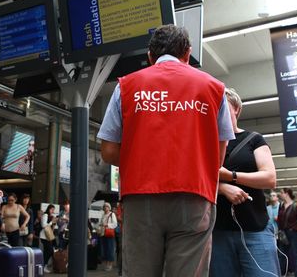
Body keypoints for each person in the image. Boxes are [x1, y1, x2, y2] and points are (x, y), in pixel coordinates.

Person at [99, 24, 234, 276]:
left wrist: (143, 159)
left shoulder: (127, 87)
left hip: (141, 196)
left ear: (150, 56)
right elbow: (217, 156)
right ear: (188, 53)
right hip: (195, 197)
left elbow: (108, 150)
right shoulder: (215, 89)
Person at [210, 87, 279, 277]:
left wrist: (230, 176)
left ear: (236, 109)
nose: (218, 110)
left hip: (255, 228)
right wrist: (222, 188)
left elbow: (269, 178)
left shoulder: (253, 139)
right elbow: (192, 180)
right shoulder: (205, 143)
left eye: (223, 105)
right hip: (218, 231)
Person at [277, 188, 297, 277]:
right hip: (284, 234)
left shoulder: (295, 206)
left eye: (282, 193)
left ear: (287, 194)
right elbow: (280, 219)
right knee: (282, 254)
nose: (280, 194)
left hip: (295, 234)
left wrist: (293, 229)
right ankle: (283, 273)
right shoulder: (282, 205)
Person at [98, 202, 118, 272]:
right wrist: (100, 226)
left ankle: (110, 265)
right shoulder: (103, 215)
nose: (105, 208)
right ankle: (106, 264)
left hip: (109, 234)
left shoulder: (112, 214)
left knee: (110, 249)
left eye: (106, 206)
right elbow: (101, 223)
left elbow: (115, 224)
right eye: (104, 206)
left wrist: (107, 225)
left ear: (109, 207)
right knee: (105, 250)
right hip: (103, 234)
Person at [40, 204, 58, 273]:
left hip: (49, 236)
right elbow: (43, 225)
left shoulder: (51, 216)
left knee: (47, 251)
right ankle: (44, 265)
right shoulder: (45, 215)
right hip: (44, 236)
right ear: (48, 209)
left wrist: (54, 223)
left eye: (53, 210)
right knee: (49, 250)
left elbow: (53, 228)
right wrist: (51, 222)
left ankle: (44, 266)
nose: (52, 211)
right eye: (51, 209)